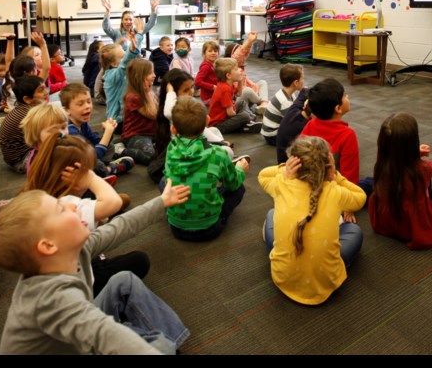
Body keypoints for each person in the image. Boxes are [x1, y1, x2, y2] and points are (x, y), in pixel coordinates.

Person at [0, 183, 192, 355]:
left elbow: (119, 226)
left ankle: (173, 346)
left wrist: (161, 202)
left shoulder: (75, 251)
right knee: (156, 346)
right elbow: (103, 333)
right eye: (60, 209)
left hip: (72, 338)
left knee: (124, 281)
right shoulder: (51, 300)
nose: (73, 206)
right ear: (48, 246)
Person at [23, 135, 143, 295]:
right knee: (140, 261)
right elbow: (114, 203)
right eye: (87, 171)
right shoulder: (68, 206)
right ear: (69, 177)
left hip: (55, 278)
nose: (91, 173)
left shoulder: (41, 197)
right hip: (80, 282)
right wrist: (91, 179)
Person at [258, 136, 366, 305]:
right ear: (328, 166)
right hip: (326, 283)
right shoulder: (334, 191)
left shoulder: (282, 184)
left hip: (283, 278)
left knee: (272, 213)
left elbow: (263, 174)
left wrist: (285, 172)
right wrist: (335, 176)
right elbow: (361, 197)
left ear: (293, 164)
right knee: (354, 231)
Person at [161, 97, 247, 241]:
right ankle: (217, 215)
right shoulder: (218, 154)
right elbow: (232, 184)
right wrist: (240, 170)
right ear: (207, 121)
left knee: (164, 180)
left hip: (175, 227)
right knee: (239, 188)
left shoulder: (171, 148)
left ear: (173, 129)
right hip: (209, 229)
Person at [368, 113, 432, 250]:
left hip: (386, 222)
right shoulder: (422, 170)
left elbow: (397, 161)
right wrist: (416, 155)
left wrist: (414, 154)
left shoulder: (381, 166)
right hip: (410, 227)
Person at [299, 78, 359, 183]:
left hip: (309, 184)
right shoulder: (347, 135)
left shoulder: (310, 125)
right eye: (344, 95)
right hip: (334, 190)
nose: (347, 96)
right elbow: (350, 177)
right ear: (338, 108)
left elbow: (299, 156)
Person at [0, 75, 47, 173]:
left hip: (17, 157)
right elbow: (44, 140)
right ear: (27, 99)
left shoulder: (23, 108)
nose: (46, 92)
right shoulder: (29, 116)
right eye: (41, 90)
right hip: (22, 161)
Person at [121, 59, 158, 165]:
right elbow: (153, 115)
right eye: (150, 73)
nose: (154, 75)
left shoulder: (148, 92)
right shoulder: (133, 97)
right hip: (135, 135)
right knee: (150, 156)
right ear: (138, 76)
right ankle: (121, 151)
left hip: (151, 133)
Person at [262, 63, 304, 145]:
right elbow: (295, 120)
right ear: (296, 83)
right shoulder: (284, 101)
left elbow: (296, 109)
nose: (303, 81)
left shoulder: (289, 93)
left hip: (275, 130)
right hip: (272, 136)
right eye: (302, 78)